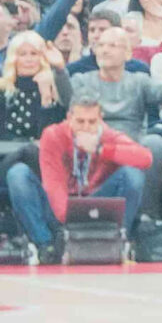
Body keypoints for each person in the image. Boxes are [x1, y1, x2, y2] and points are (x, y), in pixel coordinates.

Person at [8, 92, 151, 256]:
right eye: (80, 121)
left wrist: (101, 150)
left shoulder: (108, 135)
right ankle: (46, 246)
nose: (86, 127)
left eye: (92, 122)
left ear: (101, 119)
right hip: (60, 210)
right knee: (18, 174)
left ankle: (116, 240)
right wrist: (69, 221)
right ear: (69, 118)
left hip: (96, 204)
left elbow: (145, 158)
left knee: (133, 175)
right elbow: (53, 185)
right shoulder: (53, 135)